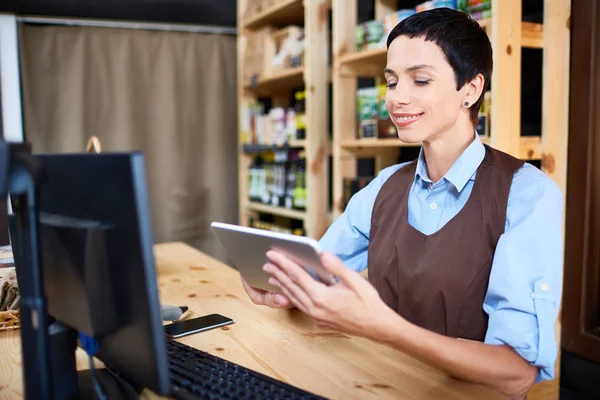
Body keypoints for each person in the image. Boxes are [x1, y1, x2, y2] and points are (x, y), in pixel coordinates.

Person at [240, 8, 563, 400]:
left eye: (421, 80)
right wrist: (287, 287)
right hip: (381, 388)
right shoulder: (384, 187)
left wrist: (385, 328)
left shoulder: (527, 196)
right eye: (391, 82)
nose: (397, 98)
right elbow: (319, 268)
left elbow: (515, 374)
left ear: (471, 90)